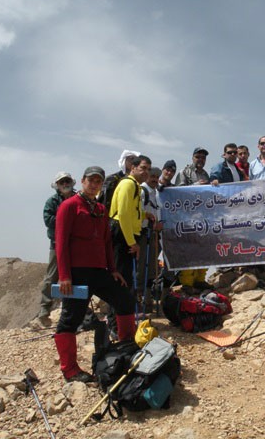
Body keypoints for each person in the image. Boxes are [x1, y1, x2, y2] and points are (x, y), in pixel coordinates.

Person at [53, 166, 130, 383]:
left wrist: (113, 270)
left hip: (99, 271)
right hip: (77, 274)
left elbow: (107, 242)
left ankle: (127, 347)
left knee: (124, 299)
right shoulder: (69, 206)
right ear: (83, 180)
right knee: (70, 319)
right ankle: (69, 369)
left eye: (98, 181)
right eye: (91, 180)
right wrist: (65, 275)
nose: (94, 184)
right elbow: (61, 243)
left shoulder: (100, 209)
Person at [109, 155, 152, 318]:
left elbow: (132, 212)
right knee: (122, 279)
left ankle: (126, 317)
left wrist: (144, 214)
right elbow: (124, 215)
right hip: (122, 235)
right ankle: (116, 322)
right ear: (132, 168)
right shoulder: (128, 184)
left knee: (126, 277)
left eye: (148, 169)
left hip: (125, 234)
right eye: (142, 168)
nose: (146, 172)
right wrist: (132, 242)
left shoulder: (135, 186)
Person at [36, 171, 76, 326]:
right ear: (57, 186)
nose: (65, 184)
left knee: (78, 274)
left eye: (67, 181)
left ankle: (78, 308)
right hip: (57, 244)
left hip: (77, 244)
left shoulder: (79, 198)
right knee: (52, 276)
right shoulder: (52, 202)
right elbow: (48, 220)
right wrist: (67, 218)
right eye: (62, 182)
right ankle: (44, 310)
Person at [175, 147, 210, 286]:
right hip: (187, 219)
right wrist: (196, 185)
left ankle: (200, 280)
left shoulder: (206, 175)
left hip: (203, 219)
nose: (200, 160)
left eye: (203, 157)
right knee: (189, 252)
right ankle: (187, 284)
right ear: (192, 157)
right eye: (198, 157)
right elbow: (177, 193)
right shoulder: (184, 172)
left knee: (203, 250)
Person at [137, 167, 163, 308]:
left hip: (153, 235)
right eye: (152, 176)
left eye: (156, 176)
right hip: (143, 234)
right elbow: (138, 213)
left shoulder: (156, 192)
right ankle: (138, 299)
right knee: (141, 268)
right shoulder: (142, 191)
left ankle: (147, 299)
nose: (154, 179)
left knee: (152, 268)